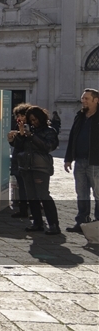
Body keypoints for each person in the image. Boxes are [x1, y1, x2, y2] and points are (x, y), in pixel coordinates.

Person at [13, 106, 60, 235]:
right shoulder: (28, 130)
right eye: (31, 120)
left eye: (35, 119)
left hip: (40, 167)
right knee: (31, 196)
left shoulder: (49, 131)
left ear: (41, 118)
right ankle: (37, 223)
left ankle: (54, 224)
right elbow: (18, 147)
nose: (33, 122)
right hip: (26, 167)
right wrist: (20, 135)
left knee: (43, 195)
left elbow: (48, 146)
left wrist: (32, 136)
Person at [64, 89, 99, 233]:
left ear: (96, 100)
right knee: (81, 193)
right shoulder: (80, 116)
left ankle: (97, 224)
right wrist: (68, 159)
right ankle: (82, 221)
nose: (83, 101)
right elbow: (72, 136)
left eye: (86, 98)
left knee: (98, 193)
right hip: (80, 161)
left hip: (95, 162)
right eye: (82, 98)